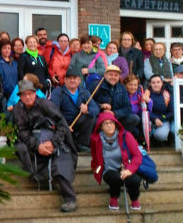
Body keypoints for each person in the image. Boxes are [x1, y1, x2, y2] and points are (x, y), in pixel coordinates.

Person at [13, 80, 78, 213]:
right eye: (24, 95)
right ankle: (36, 176)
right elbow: (23, 132)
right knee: (20, 148)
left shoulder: (46, 104)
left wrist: (53, 143)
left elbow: (62, 124)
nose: (28, 97)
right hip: (33, 142)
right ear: (20, 97)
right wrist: (38, 146)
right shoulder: (18, 109)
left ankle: (70, 198)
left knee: (60, 164)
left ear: (35, 93)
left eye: (30, 94)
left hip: (54, 138)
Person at [90, 112, 142, 211]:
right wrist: (96, 169)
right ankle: (114, 198)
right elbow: (94, 156)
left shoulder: (126, 136)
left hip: (126, 167)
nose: (109, 125)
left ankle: (134, 200)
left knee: (135, 179)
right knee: (115, 178)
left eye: (111, 123)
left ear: (116, 124)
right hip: (108, 169)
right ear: (101, 126)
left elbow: (137, 156)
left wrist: (129, 170)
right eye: (106, 123)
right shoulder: (96, 139)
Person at [50, 68, 99, 152]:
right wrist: (64, 125)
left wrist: (87, 109)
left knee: (92, 118)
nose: (72, 80)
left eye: (75, 78)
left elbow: (96, 109)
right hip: (64, 124)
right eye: (69, 78)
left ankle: (82, 144)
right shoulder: (57, 92)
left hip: (79, 124)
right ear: (65, 80)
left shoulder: (85, 92)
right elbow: (54, 111)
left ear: (79, 80)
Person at [93, 65, 141, 134]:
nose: (113, 77)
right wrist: (101, 105)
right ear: (105, 75)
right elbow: (89, 103)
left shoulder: (122, 88)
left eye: (116, 75)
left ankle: (120, 137)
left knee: (135, 118)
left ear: (119, 77)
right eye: (111, 75)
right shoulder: (97, 85)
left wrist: (115, 113)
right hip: (101, 117)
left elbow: (128, 108)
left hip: (117, 118)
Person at [146, 75, 174, 143]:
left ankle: (169, 135)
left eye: (158, 82)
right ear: (150, 84)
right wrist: (155, 119)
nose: (156, 84)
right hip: (152, 119)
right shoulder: (147, 95)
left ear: (162, 83)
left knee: (162, 135)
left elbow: (172, 112)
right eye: (153, 82)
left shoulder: (167, 95)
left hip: (164, 119)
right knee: (159, 135)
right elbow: (145, 111)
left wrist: (161, 118)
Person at [0, 39, 18, 105]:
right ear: (1, 49)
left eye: (9, 48)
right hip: (3, 95)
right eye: (4, 48)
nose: (7, 50)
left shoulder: (15, 63)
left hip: (15, 94)